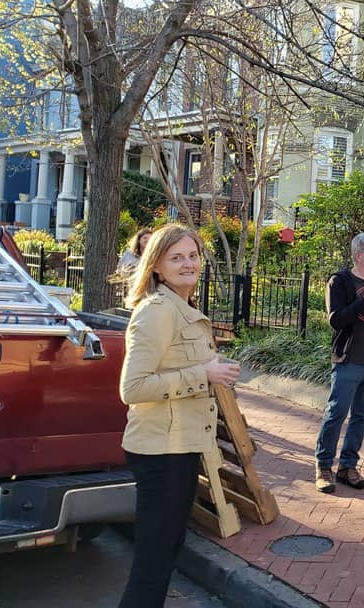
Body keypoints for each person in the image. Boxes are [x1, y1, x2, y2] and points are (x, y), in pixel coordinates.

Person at [118, 224, 241, 608]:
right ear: (156, 265)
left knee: (167, 550)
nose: (188, 263)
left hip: (182, 446)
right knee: (153, 563)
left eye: (193, 255)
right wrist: (201, 374)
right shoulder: (156, 311)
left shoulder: (180, 307)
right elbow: (132, 389)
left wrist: (209, 368)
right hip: (159, 452)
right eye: (176, 257)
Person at [314, 232, 364, 493]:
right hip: (350, 360)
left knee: (361, 416)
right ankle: (323, 466)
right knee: (336, 414)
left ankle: (348, 466)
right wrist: (362, 301)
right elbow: (336, 320)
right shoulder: (340, 282)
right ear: (358, 255)